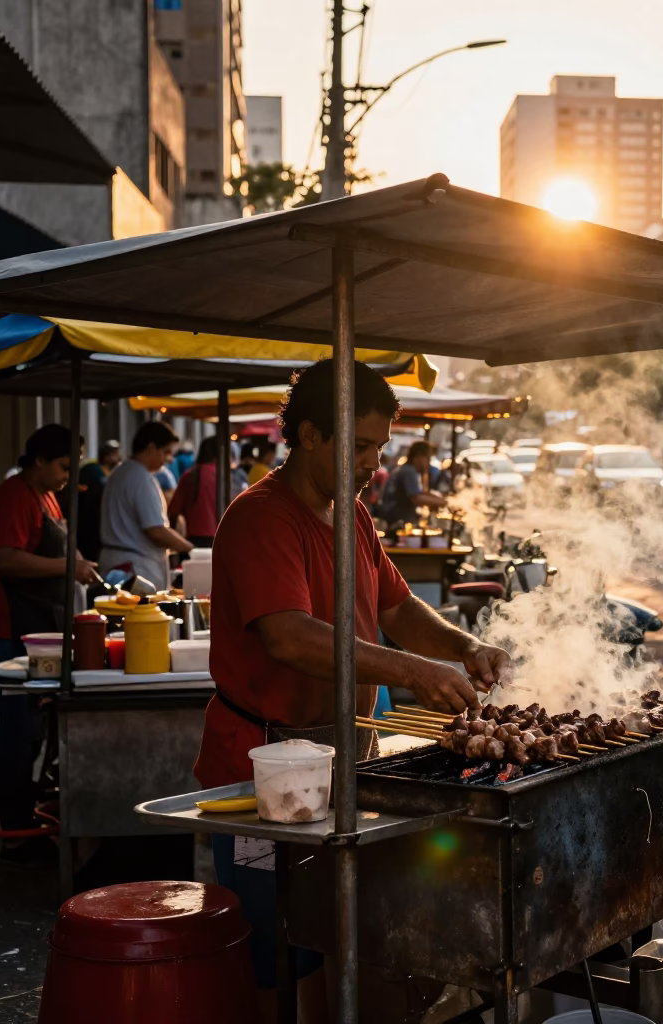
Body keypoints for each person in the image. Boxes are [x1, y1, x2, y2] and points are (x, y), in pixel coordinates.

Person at [195, 359, 511, 1022]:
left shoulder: (356, 518)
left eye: (379, 448)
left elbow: (396, 609)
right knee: (277, 950)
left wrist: (464, 647)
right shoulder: (262, 518)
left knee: (337, 932)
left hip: (343, 759)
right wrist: (414, 673)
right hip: (265, 768)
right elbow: (289, 637)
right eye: (361, 446)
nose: (373, 463)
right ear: (309, 434)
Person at [0, 425, 100, 867]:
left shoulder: (45, 495)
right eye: (64, 467)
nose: (68, 477)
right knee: (17, 726)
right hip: (9, 624)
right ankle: (14, 836)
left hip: (37, 624)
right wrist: (68, 565)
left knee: (33, 726)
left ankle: (24, 818)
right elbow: (3, 558)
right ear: (38, 461)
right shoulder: (13, 495)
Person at [99, 422, 193, 590]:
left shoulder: (122, 472)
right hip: (136, 569)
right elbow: (156, 531)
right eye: (166, 452)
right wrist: (190, 549)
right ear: (150, 448)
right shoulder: (139, 478)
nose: (169, 459)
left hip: (122, 562)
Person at [167, 436, 244, 546]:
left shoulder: (190, 475)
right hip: (222, 537)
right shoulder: (225, 476)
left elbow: (174, 511)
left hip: (194, 539)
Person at [71, 440, 121, 562]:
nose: (119, 457)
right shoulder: (93, 470)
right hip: (87, 524)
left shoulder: (108, 471)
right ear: (107, 456)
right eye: (115, 454)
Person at [378, 441, 447, 528]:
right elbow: (416, 498)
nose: (428, 463)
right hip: (398, 518)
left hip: (394, 515)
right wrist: (445, 503)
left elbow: (421, 493)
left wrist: (443, 500)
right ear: (418, 456)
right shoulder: (409, 472)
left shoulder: (406, 469)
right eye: (427, 458)